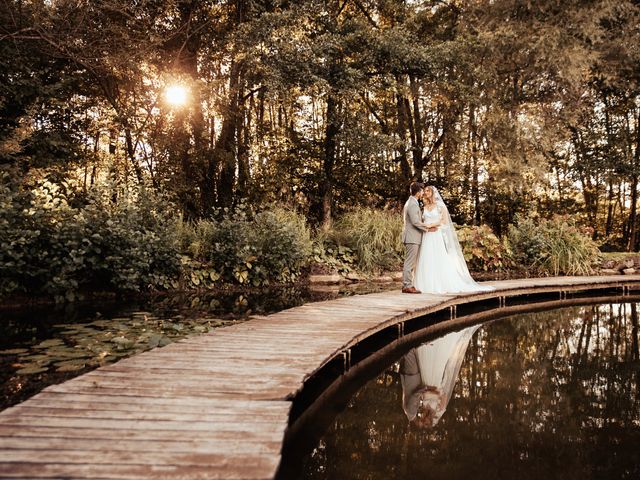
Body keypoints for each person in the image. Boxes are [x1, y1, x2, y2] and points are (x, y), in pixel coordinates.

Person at [414, 185, 494, 294]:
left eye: (428, 191)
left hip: (435, 234)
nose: (426, 192)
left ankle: (440, 283)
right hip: (427, 235)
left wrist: (431, 225)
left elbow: (444, 221)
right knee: (426, 257)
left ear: (433, 193)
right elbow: (422, 221)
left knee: (437, 257)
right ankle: (426, 284)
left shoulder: (440, 206)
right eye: (425, 191)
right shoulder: (425, 207)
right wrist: (425, 226)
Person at [399, 324, 481, 428]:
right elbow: (443, 394)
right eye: (427, 422)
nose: (424, 420)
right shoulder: (437, 410)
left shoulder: (413, 411)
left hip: (418, 377)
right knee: (428, 353)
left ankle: (412, 332)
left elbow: (416, 394)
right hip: (429, 380)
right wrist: (434, 392)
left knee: (415, 351)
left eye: (423, 422)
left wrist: (427, 390)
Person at [402, 182, 436, 294]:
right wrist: (427, 228)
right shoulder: (412, 203)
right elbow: (415, 222)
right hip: (412, 237)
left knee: (411, 262)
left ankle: (408, 284)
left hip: (413, 237)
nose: (423, 193)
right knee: (409, 262)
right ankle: (407, 286)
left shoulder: (412, 202)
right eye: (422, 190)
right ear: (418, 192)